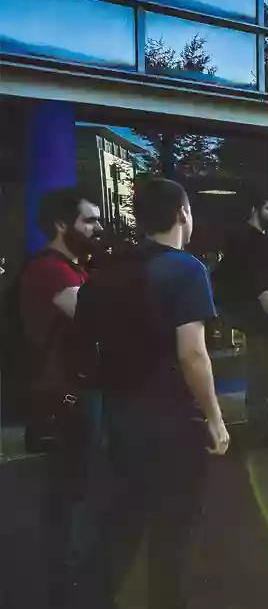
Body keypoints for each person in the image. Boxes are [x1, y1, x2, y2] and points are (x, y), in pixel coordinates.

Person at [75, 178, 229, 609]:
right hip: (174, 423)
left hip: (121, 415)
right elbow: (193, 355)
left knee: (121, 524)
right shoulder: (186, 269)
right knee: (173, 534)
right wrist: (215, 417)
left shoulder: (109, 267)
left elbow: (85, 337)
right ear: (183, 214)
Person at [14, 188, 103, 608]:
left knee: (79, 487)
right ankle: (65, 587)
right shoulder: (50, 270)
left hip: (78, 389)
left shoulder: (74, 268)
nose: (97, 228)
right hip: (64, 395)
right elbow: (94, 317)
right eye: (89, 220)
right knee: (70, 492)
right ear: (61, 225)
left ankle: (71, 578)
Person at [215, 193, 268, 445]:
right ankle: (260, 432)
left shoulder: (244, 240)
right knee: (265, 377)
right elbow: (261, 286)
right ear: (254, 210)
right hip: (262, 322)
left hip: (257, 322)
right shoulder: (255, 242)